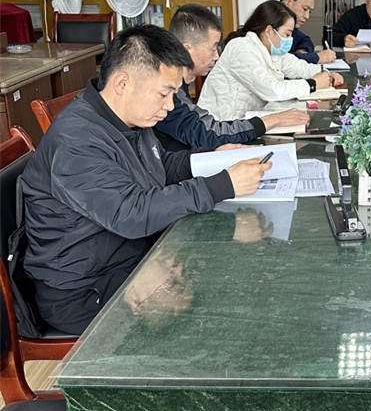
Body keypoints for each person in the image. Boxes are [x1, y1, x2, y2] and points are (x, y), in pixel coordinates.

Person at [20, 24, 273, 334]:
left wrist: (215, 160)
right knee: (205, 321)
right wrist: (222, 184)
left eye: (174, 94)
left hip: (130, 255)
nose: (170, 106)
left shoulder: (127, 119)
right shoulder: (76, 141)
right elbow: (131, 213)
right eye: (164, 93)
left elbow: (159, 165)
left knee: (224, 280)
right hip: (85, 288)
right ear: (122, 83)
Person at [154, 4, 310, 151]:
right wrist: (274, 119)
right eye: (213, 48)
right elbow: (208, 133)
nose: (217, 56)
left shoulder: (179, 87)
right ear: (187, 49)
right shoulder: (168, 94)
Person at [198, 0, 344, 120]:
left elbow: (298, 66)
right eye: (287, 34)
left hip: (245, 123)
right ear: (269, 31)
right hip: (221, 126)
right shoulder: (241, 49)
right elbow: (272, 89)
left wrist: (325, 74)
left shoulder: (270, 49)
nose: (289, 40)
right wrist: (312, 84)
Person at [279, 0, 336, 64]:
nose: (307, 16)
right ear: (288, 2)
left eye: (310, 12)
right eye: (305, 9)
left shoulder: (292, 28)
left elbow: (305, 40)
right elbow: (281, 61)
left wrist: (302, 51)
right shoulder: (271, 23)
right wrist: (316, 58)